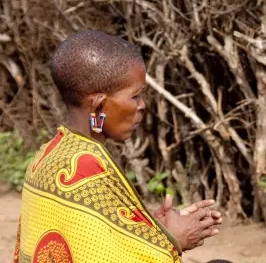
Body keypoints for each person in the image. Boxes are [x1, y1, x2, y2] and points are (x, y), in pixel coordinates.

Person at [13, 31, 222, 263]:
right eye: (135, 96)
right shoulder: (87, 170)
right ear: (99, 105)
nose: (142, 106)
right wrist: (174, 239)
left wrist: (149, 229)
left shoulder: (50, 152)